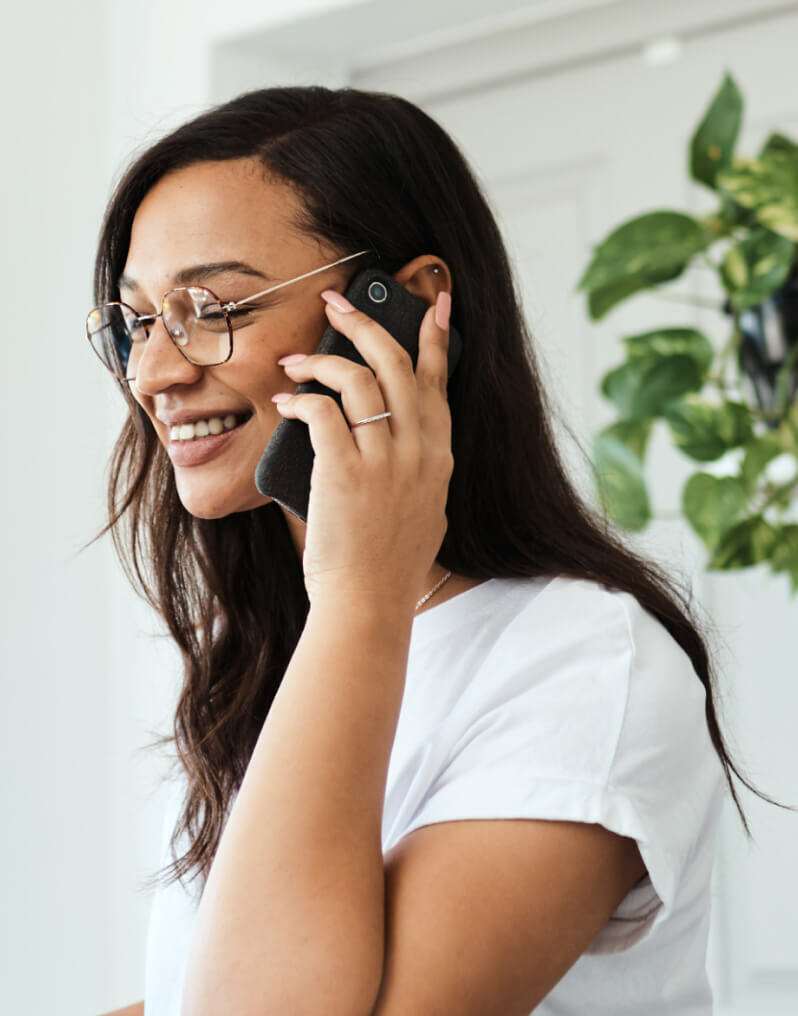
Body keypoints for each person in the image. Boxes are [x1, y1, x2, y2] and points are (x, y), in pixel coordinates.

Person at [88, 85, 762, 1016]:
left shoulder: (587, 664)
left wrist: (364, 595)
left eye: (213, 305)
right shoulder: (271, 650)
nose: (153, 371)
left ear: (407, 306)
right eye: (136, 320)